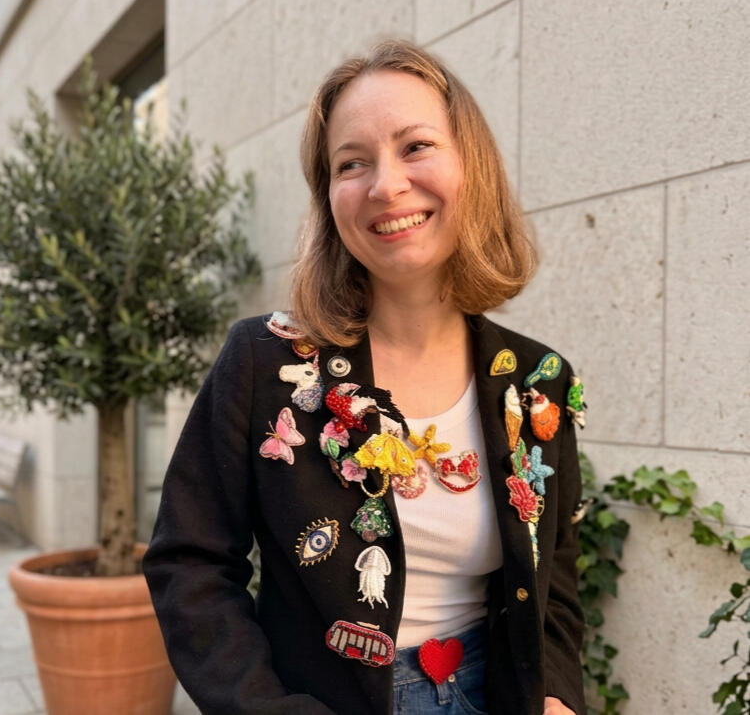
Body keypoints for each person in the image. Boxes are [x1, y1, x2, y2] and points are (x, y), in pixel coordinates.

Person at [143, 40, 586, 715]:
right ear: (329, 197)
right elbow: (190, 563)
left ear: (472, 166)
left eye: (416, 146)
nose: (385, 185)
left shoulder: (537, 383)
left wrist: (556, 696)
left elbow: (554, 578)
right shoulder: (264, 363)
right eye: (351, 163)